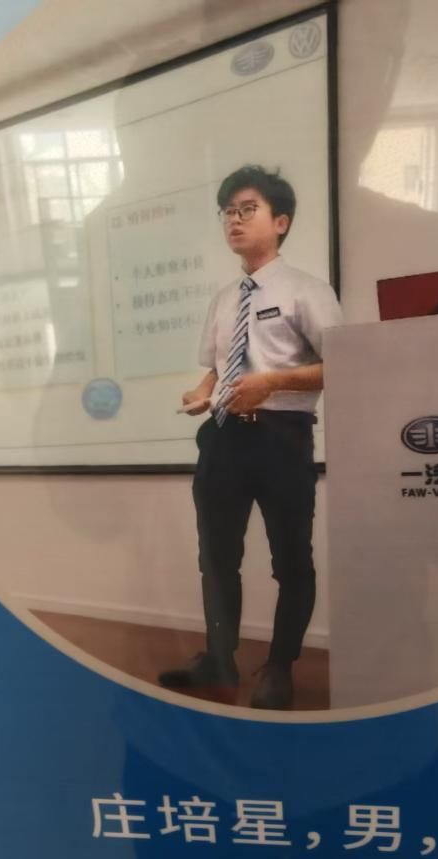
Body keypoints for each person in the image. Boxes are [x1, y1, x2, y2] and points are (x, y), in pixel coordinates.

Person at [159, 165, 342, 709]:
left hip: (282, 437)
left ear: (280, 222)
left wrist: (273, 383)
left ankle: (280, 667)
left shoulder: (308, 290)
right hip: (222, 439)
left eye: (247, 209)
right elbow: (217, 369)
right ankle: (220, 661)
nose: (234, 221)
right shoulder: (224, 299)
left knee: (291, 561)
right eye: (227, 212)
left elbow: (345, 364)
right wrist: (201, 392)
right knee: (216, 559)